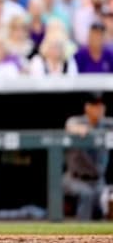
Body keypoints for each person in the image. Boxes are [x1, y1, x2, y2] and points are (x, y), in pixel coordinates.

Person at [63, 91, 113, 220]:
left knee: (106, 197)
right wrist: (77, 129)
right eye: (95, 106)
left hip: (98, 180)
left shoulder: (107, 124)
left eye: (101, 106)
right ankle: (81, 234)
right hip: (75, 179)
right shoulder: (77, 121)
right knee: (87, 194)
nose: (100, 109)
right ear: (87, 107)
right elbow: (69, 124)